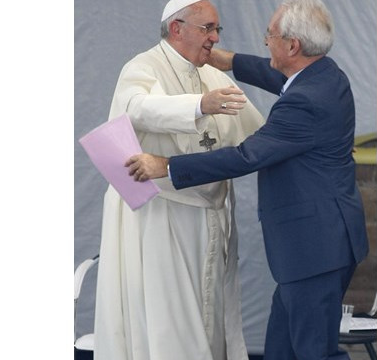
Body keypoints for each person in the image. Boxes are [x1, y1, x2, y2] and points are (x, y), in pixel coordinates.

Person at [126, 0, 369, 359]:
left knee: (316, 352)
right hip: (321, 243)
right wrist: (225, 60)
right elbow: (276, 76)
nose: (265, 42)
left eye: (269, 35)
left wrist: (167, 166)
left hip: (313, 250)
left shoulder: (304, 102)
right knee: (281, 350)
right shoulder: (327, 75)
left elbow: (246, 156)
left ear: (292, 46)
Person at [93, 0, 265, 359]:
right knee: (167, 323)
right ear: (177, 28)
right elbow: (135, 108)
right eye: (208, 29)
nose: (215, 38)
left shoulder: (212, 76)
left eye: (217, 29)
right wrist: (199, 106)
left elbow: (261, 134)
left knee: (210, 320)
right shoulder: (143, 67)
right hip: (162, 219)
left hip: (210, 217)